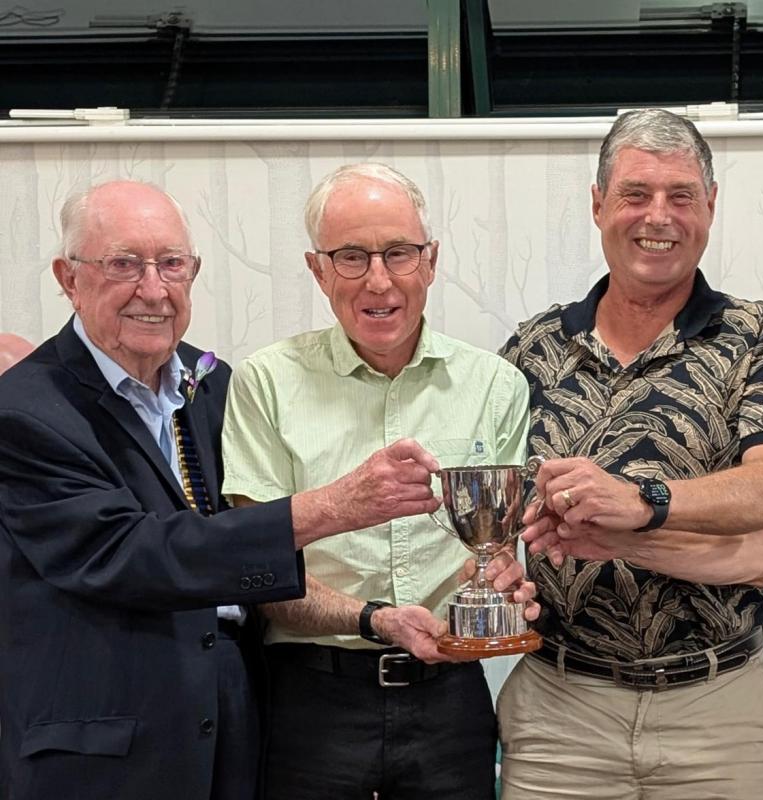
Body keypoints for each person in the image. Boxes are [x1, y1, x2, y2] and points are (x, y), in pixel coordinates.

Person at [0, 180, 446, 800]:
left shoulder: (212, 385)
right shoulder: (23, 410)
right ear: (69, 278)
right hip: (100, 750)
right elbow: (131, 554)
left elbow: (233, 560)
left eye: (172, 265)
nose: (153, 290)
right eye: (124, 265)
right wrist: (332, 508)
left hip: (233, 732)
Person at [498, 108, 763, 799]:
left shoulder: (757, 334)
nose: (657, 216)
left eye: (680, 195)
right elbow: (494, 510)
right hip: (559, 714)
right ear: (597, 204)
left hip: (718, 710)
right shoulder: (531, 348)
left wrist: (640, 506)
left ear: (710, 206)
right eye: (635, 194)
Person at [220, 163, 535, 800]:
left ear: (431, 260)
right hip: (309, 703)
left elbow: (498, 548)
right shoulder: (265, 382)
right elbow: (253, 566)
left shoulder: (495, 385)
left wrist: (506, 580)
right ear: (317, 269)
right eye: (351, 256)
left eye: (398, 253)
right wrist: (376, 617)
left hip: (450, 701)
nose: (379, 279)